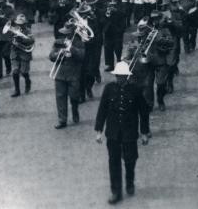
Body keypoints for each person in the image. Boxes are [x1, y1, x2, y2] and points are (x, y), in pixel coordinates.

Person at [94, 61, 151, 204]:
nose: (120, 78)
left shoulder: (135, 90)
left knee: (130, 159)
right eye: (118, 76)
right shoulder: (109, 89)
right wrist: (99, 130)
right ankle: (116, 192)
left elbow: (144, 112)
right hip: (113, 133)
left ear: (127, 76)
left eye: (123, 76)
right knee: (113, 162)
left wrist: (144, 132)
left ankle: (130, 181)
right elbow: (102, 110)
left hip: (129, 132)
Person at [51, 26, 85, 128]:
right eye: (64, 34)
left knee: (74, 96)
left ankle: (75, 110)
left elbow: (82, 56)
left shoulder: (79, 42)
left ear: (72, 34)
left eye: (67, 34)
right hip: (60, 74)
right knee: (60, 97)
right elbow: (51, 56)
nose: (65, 36)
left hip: (73, 74)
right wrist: (59, 53)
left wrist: (72, 48)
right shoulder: (58, 42)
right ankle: (62, 120)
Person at [6, 13, 35, 97]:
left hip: (24, 54)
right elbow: (8, 40)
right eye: (18, 24)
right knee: (15, 72)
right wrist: (12, 40)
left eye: (21, 24)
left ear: (25, 24)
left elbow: (31, 41)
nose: (19, 26)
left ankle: (27, 81)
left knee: (24, 72)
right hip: (15, 53)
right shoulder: (13, 30)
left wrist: (21, 39)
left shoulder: (28, 31)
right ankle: (17, 90)